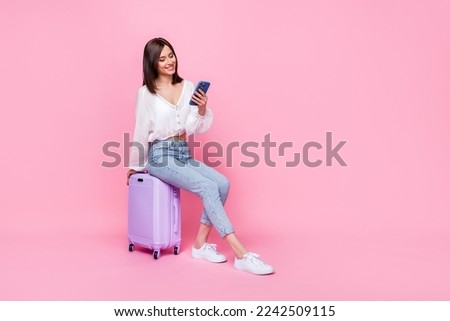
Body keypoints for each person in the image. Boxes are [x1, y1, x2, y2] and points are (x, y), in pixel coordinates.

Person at [126, 37, 274, 275]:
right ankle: (241, 254)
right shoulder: (145, 94)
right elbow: (141, 130)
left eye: (171, 55)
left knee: (222, 183)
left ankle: (200, 245)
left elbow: (194, 127)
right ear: (152, 63)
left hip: (182, 151)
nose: (168, 61)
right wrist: (135, 165)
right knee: (206, 186)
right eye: (161, 58)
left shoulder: (187, 86)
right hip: (160, 156)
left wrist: (202, 109)